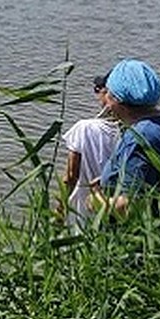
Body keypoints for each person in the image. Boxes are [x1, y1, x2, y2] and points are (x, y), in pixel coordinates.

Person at [92, 59, 160, 217]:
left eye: (108, 92)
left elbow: (130, 207)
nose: (105, 99)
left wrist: (95, 199)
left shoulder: (139, 137)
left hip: (139, 236)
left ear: (118, 99)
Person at [59, 73, 120, 225]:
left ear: (108, 94)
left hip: (84, 211)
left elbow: (71, 176)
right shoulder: (134, 131)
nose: (97, 94)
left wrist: (59, 211)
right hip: (118, 210)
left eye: (98, 89)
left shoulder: (84, 128)